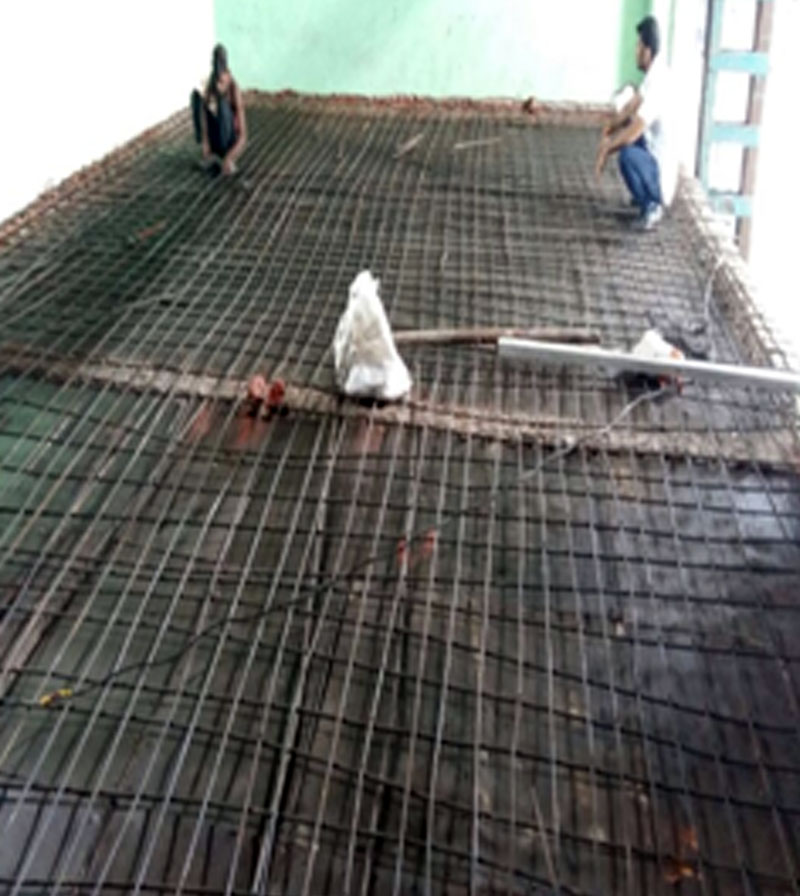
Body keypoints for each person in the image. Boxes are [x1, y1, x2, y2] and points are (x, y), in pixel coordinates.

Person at [595, 16, 677, 231]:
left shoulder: (659, 83)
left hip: (661, 172)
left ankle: (652, 204)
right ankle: (644, 192)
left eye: (638, 46)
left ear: (647, 51)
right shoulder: (655, 73)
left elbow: (634, 131)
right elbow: (632, 106)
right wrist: (610, 127)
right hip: (653, 152)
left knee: (627, 155)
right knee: (626, 125)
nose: (635, 51)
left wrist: (607, 149)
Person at [191, 45, 247, 175]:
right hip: (215, 139)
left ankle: (224, 158)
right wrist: (205, 143)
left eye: (221, 82)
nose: (218, 85)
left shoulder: (234, 89)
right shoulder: (211, 85)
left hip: (229, 141)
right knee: (196, 97)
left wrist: (230, 157)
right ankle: (212, 157)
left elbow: (243, 136)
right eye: (217, 81)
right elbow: (203, 114)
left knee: (222, 105)